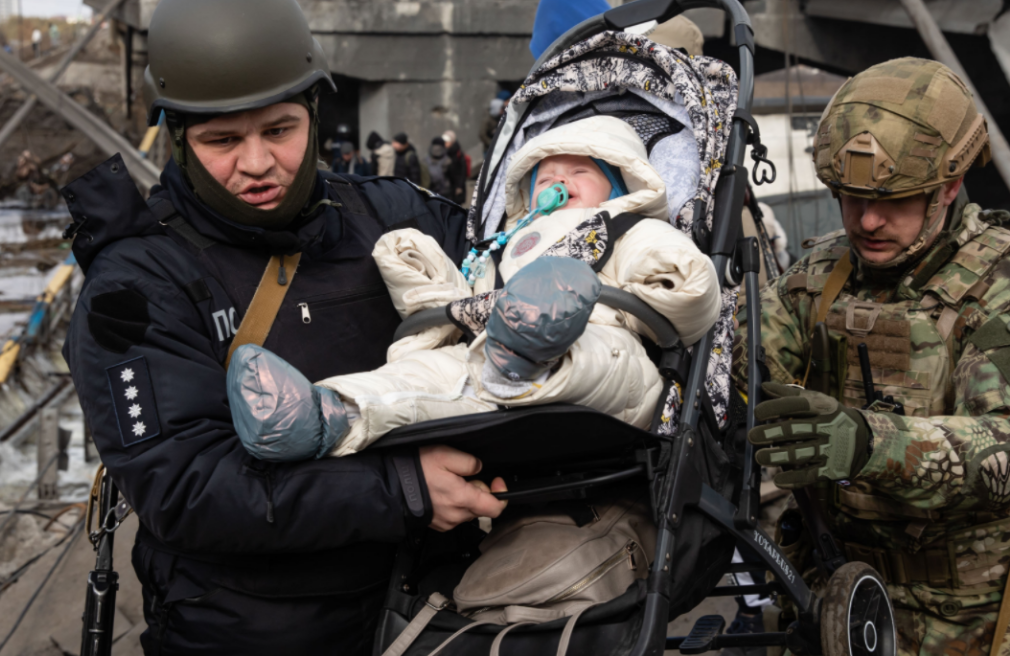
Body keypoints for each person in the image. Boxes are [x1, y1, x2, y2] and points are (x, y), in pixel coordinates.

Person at [60, 0, 506, 652]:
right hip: (251, 627)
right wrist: (398, 488)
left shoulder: (394, 216)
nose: (258, 162)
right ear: (177, 138)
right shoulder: (135, 286)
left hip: (439, 607)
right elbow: (185, 488)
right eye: (222, 140)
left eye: (280, 130)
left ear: (314, 117)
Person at [749, 58, 1010, 655]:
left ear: (948, 186)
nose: (868, 220)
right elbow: (745, 366)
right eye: (852, 198)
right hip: (845, 598)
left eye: (895, 201)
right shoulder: (819, 276)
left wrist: (868, 443)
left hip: (984, 616)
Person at [227, 115, 721, 460]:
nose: (559, 180)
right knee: (424, 375)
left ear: (617, 188)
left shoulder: (625, 229)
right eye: (546, 174)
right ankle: (322, 414)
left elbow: (687, 291)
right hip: (486, 351)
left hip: (599, 351)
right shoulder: (509, 243)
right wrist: (425, 280)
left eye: (579, 172)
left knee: (597, 350)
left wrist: (674, 270)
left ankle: (526, 351)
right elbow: (469, 297)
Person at [441, 130, 469, 204]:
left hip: (457, 186)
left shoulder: (458, 154)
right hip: (448, 187)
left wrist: (459, 187)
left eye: (447, 141)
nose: (445, 143)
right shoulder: (443, 152)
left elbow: (463, 171)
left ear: (452, 141)